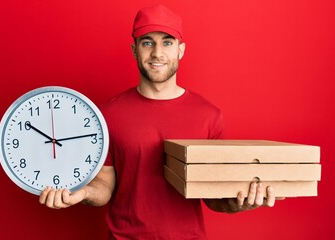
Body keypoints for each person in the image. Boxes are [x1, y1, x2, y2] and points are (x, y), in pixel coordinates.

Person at [40, 5, 279, 239]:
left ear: (180, 50)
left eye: (167, 42)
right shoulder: (107, 114)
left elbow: (213, 196)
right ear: (134, 50)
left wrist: (239, 203)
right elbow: (105, 183)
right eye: (147, 42)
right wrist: (82, 193)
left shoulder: (209, 116)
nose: (157, 53)